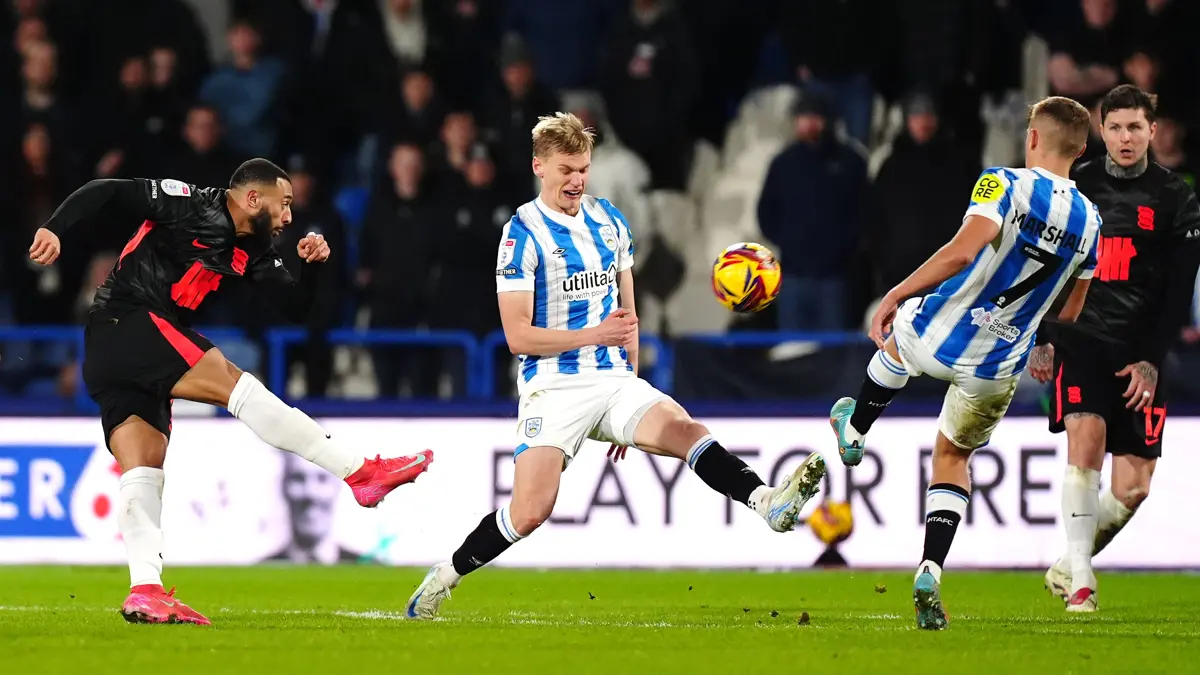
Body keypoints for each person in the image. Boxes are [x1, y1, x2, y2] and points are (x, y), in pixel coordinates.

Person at [403, 113, 827, 620]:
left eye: (583, 168)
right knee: (530, 511)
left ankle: (767, 502)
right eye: (566, 169)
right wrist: (593, 335)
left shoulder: (609, 221)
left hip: (613, 378)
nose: (577, 180)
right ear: (539, 166)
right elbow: (517, 335)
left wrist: (626, 382)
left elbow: (628, 314)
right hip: (554, 386)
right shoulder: (521, 235)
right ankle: (443, 578)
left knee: (684, 429)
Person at [27, 159, 434, 626]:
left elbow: (295, 308)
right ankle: (360, 472)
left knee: (144, 467)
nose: (288, 217)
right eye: (283, 204)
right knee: (239, 387)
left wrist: (313, 267)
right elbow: (107, 190)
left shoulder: (256, 249)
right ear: (252, 198)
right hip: (128, 320)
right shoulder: (188, 202)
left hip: (117, 350)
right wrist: (56, 228)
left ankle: (145, 589)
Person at [828, 96, 1101, 630]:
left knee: (898, 340)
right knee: (952, 458)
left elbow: (960, 251)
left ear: (1032, 139)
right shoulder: (1091, 222)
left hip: (939, 334)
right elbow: (1070, 309)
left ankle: (857, 426)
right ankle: (930, 567)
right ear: (1083, 149)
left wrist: (894, 293)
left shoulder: (1001, 183)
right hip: (997, 365)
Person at [1029, 85, 1200, 613]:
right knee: (1086, 441)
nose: (1125, 138)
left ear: (1153, 130)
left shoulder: (1177, 198)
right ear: (1100, 133)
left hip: (1140, 350)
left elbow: (1178, 293)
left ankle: (1068, 561)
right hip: (1080, 339)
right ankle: (1082, 580)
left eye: (1135, 127)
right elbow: (1044, 268)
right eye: (1116, 127)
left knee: (1133, 487)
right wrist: (1040, 337)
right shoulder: (1073, 188)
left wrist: (1152, 358)